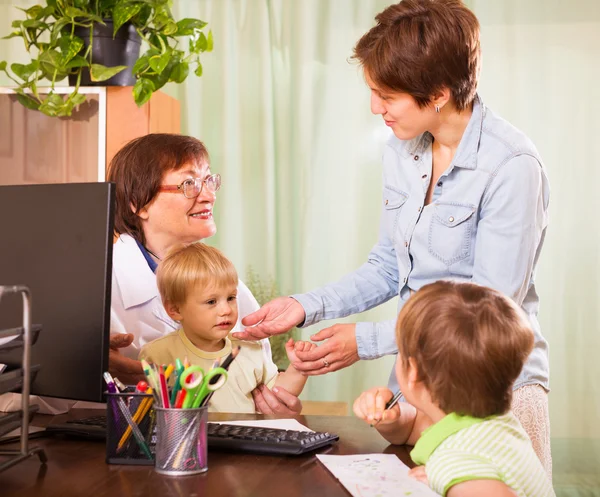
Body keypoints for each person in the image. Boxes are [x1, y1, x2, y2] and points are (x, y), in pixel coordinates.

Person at [234, 0, 552, 477]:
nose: (374, 107)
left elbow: (489, 310)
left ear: (440, 92)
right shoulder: (403, 149)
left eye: (387, 95)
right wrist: (305, 305)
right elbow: (389, 264)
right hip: (418, 384)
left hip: (491, 390)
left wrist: (364, 341)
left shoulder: (511, 167)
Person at [108, 133, 302, 414]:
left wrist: (277, 407)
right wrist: (87, 364)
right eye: (189, 184)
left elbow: (260, 383)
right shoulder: (99, 285)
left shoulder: (226, 282)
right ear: (138, 203)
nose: (209, 196)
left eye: (209, 181)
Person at [353, 281, 554, 497]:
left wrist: (459, 481)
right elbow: (416, 430)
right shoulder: (495, 423)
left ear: (412, 371)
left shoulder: (459, 461)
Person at [139, 242, 313, 412]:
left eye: (231, 298)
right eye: (211, 302)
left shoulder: (251, 349)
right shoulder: (157, 355)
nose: (226, 310)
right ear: (175, 310)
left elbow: (277, 396)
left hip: (246, 440)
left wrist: (299, 369)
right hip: (191, 440)